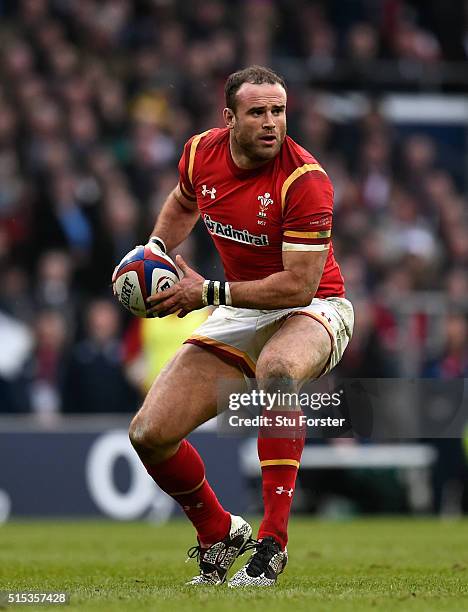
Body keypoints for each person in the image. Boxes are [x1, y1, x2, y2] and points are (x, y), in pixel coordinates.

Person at [125, 66, 354, 587]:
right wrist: (156, 250)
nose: (272, 123)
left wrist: (205, 292)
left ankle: (271, 544)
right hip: (240, 306)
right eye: (258, 112)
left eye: (278, 111)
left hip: (317, 307)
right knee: (149, 434)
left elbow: (297, 286)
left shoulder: (305, 180)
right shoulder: (200, 153)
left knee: (277, 370)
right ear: (229, 118)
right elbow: (185, 200)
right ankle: (217, 530)